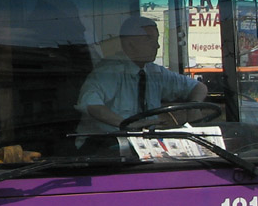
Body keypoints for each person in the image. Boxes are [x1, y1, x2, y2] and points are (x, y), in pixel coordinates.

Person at [73, 15, 209, 144]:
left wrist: (194, 106)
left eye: (156, 39)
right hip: (103, 145)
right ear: (129, 44)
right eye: (149, 39)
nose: (157, 46)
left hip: (145, 144)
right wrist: (129, 124)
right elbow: (91, 105)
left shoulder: (155, 72)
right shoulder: (109, 72)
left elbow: (198, 87)